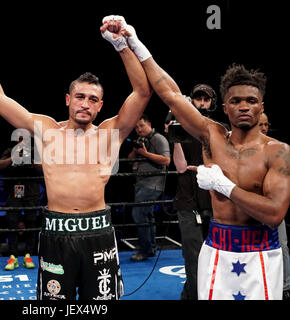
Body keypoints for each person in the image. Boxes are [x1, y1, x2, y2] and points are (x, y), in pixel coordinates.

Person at [0, 17, 152, 300]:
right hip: (57, 233)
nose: (85, 103)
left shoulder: (109, 133)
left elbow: (142, 92)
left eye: (92, 99)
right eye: (80, 96)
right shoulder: (47, 130)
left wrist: (122, 45)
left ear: (100, 106)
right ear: (68, 100)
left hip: (98, 232)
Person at [120, 20, 289, 299]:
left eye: (251, 100)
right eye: (236, 101)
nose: (244, 106)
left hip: (261, 254)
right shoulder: (212, 135)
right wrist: (134, 42)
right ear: (225, 107)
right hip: (217, 250)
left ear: (261, 106)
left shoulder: (278, 151)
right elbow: (172, 95)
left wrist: (224, 186)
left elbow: (274, 214)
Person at [165, 84, 215, 300]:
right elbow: (180, 167)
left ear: (212, 102)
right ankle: (192, 295)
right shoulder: (181, 128)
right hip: (188, 202)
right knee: (193, 256)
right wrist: (174, 138)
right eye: (198, 99)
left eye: (206, 99)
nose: (202, 103)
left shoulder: (218, 129)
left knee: (216, 254)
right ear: (192, 101)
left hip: (214, 201)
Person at [127, 114, 170, 261]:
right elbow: (130, 159)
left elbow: (166, 160)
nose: (139, 129)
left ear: (149, 124)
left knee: (139, 214)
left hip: (153, 184)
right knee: (146, 215)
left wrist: (145, 153)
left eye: (141, 126)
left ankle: (145, 251)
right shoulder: (141, 140)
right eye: (136, 127)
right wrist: (136, 150)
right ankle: (150, 249)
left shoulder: (159, 138)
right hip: (141, 183)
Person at [0, 136, 41, 271]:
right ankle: (13, 256)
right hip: (14, 192)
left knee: (31, 223)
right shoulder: (10, 151)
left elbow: (42, 169)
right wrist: (13, 158)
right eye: (19, 138)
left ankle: (28, 255)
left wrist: (29, 159)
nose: (21, 141)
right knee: (12, 223)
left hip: (31, 192)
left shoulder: (34, 151)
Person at [257, 112, 290, 299]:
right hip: (252, 206)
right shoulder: (246, 148)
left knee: (282, 245)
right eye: (260, 124)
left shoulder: (278, 149)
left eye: (266, 124)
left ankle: (285, 286)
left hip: (273, 205)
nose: (263, 128)